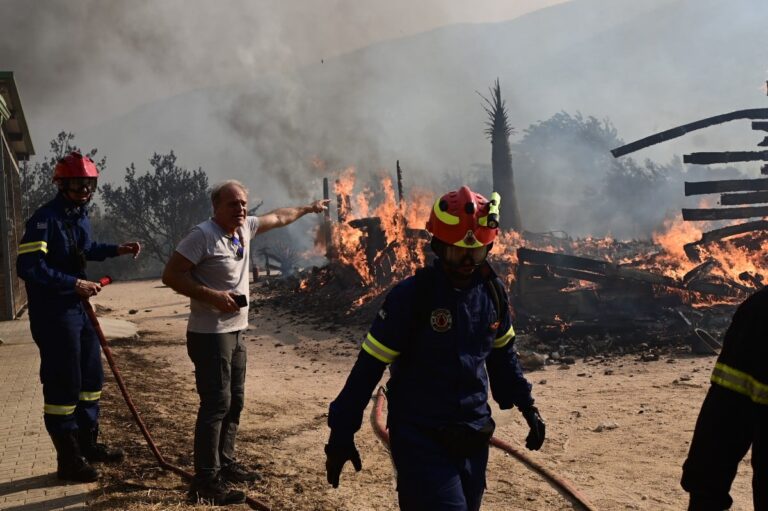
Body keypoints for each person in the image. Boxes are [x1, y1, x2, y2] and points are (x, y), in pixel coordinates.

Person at [325, 185, 546, 511]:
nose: (468, 262)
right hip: (421, 438)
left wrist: (528, 407)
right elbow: (367, 369)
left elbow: (504, 357)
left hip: (473, 435)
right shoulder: (412, 298)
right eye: (459, 252)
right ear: (439, 247)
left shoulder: (492, 294)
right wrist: (341, 433)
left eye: (477, 252)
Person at [162, 180, 328, 506]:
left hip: (237, 331)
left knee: (235, 401)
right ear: (216, 207)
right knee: (215, 405)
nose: (240, 209)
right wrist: (212, 296)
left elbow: (279, 217)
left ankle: (225, 463)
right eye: (232, 204)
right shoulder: (203, 235)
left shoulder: (244, 228)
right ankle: (205, 481)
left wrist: (309, 208)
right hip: (210, 336)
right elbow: (172, 275)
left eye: (243, 204)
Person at [16, 152, 141, 482]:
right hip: (55, 313)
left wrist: (117, 249)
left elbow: (85, 249)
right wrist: (74, 283)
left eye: (89, 183)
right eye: (77, 183)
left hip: (79, 310)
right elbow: (29, 267)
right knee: (64, 384)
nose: (84, 189)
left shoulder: (79, 215)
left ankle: (88, 444)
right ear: (62, 183)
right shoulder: (45, 219)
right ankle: (68, 460)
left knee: (90, 379)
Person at [681, 288, 767, 511]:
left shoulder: (760, 310)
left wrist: (704, 495)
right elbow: (728, 414)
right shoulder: (761, 313)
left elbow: (723, 423)